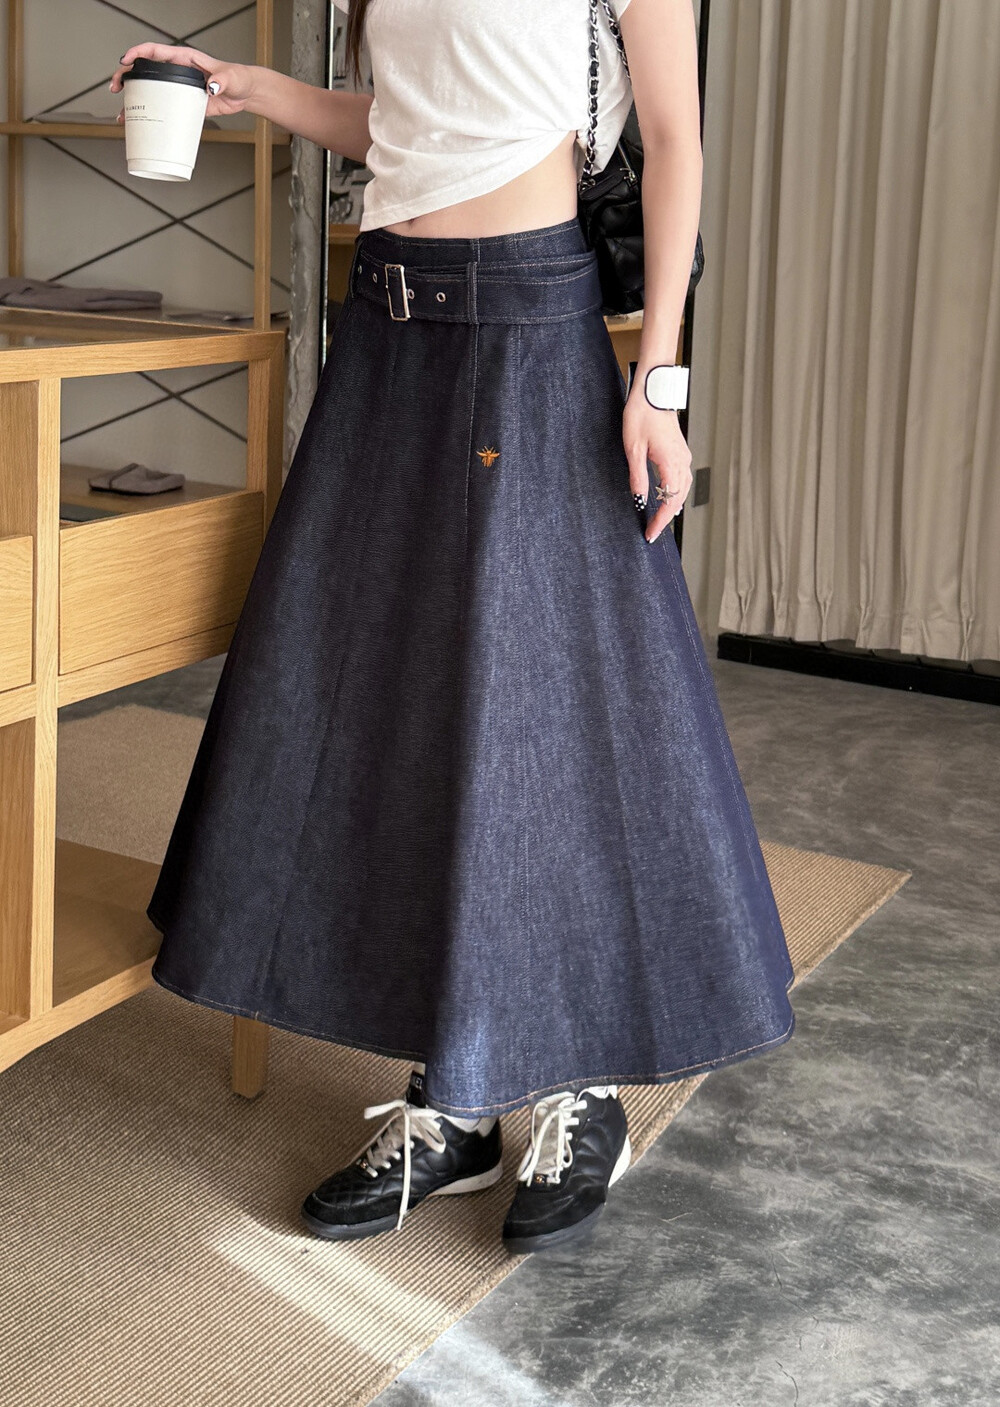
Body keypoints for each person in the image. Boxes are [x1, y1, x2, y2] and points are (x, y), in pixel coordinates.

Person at [110, 0, 795, 1257]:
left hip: (529, 323)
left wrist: (659, 380)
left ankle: (576, 1083)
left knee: (542, 711)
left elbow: (674, 142)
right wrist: (258, 91)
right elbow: (412, 124)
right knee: (390, 705)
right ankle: (458, 1096)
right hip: (387, 329)